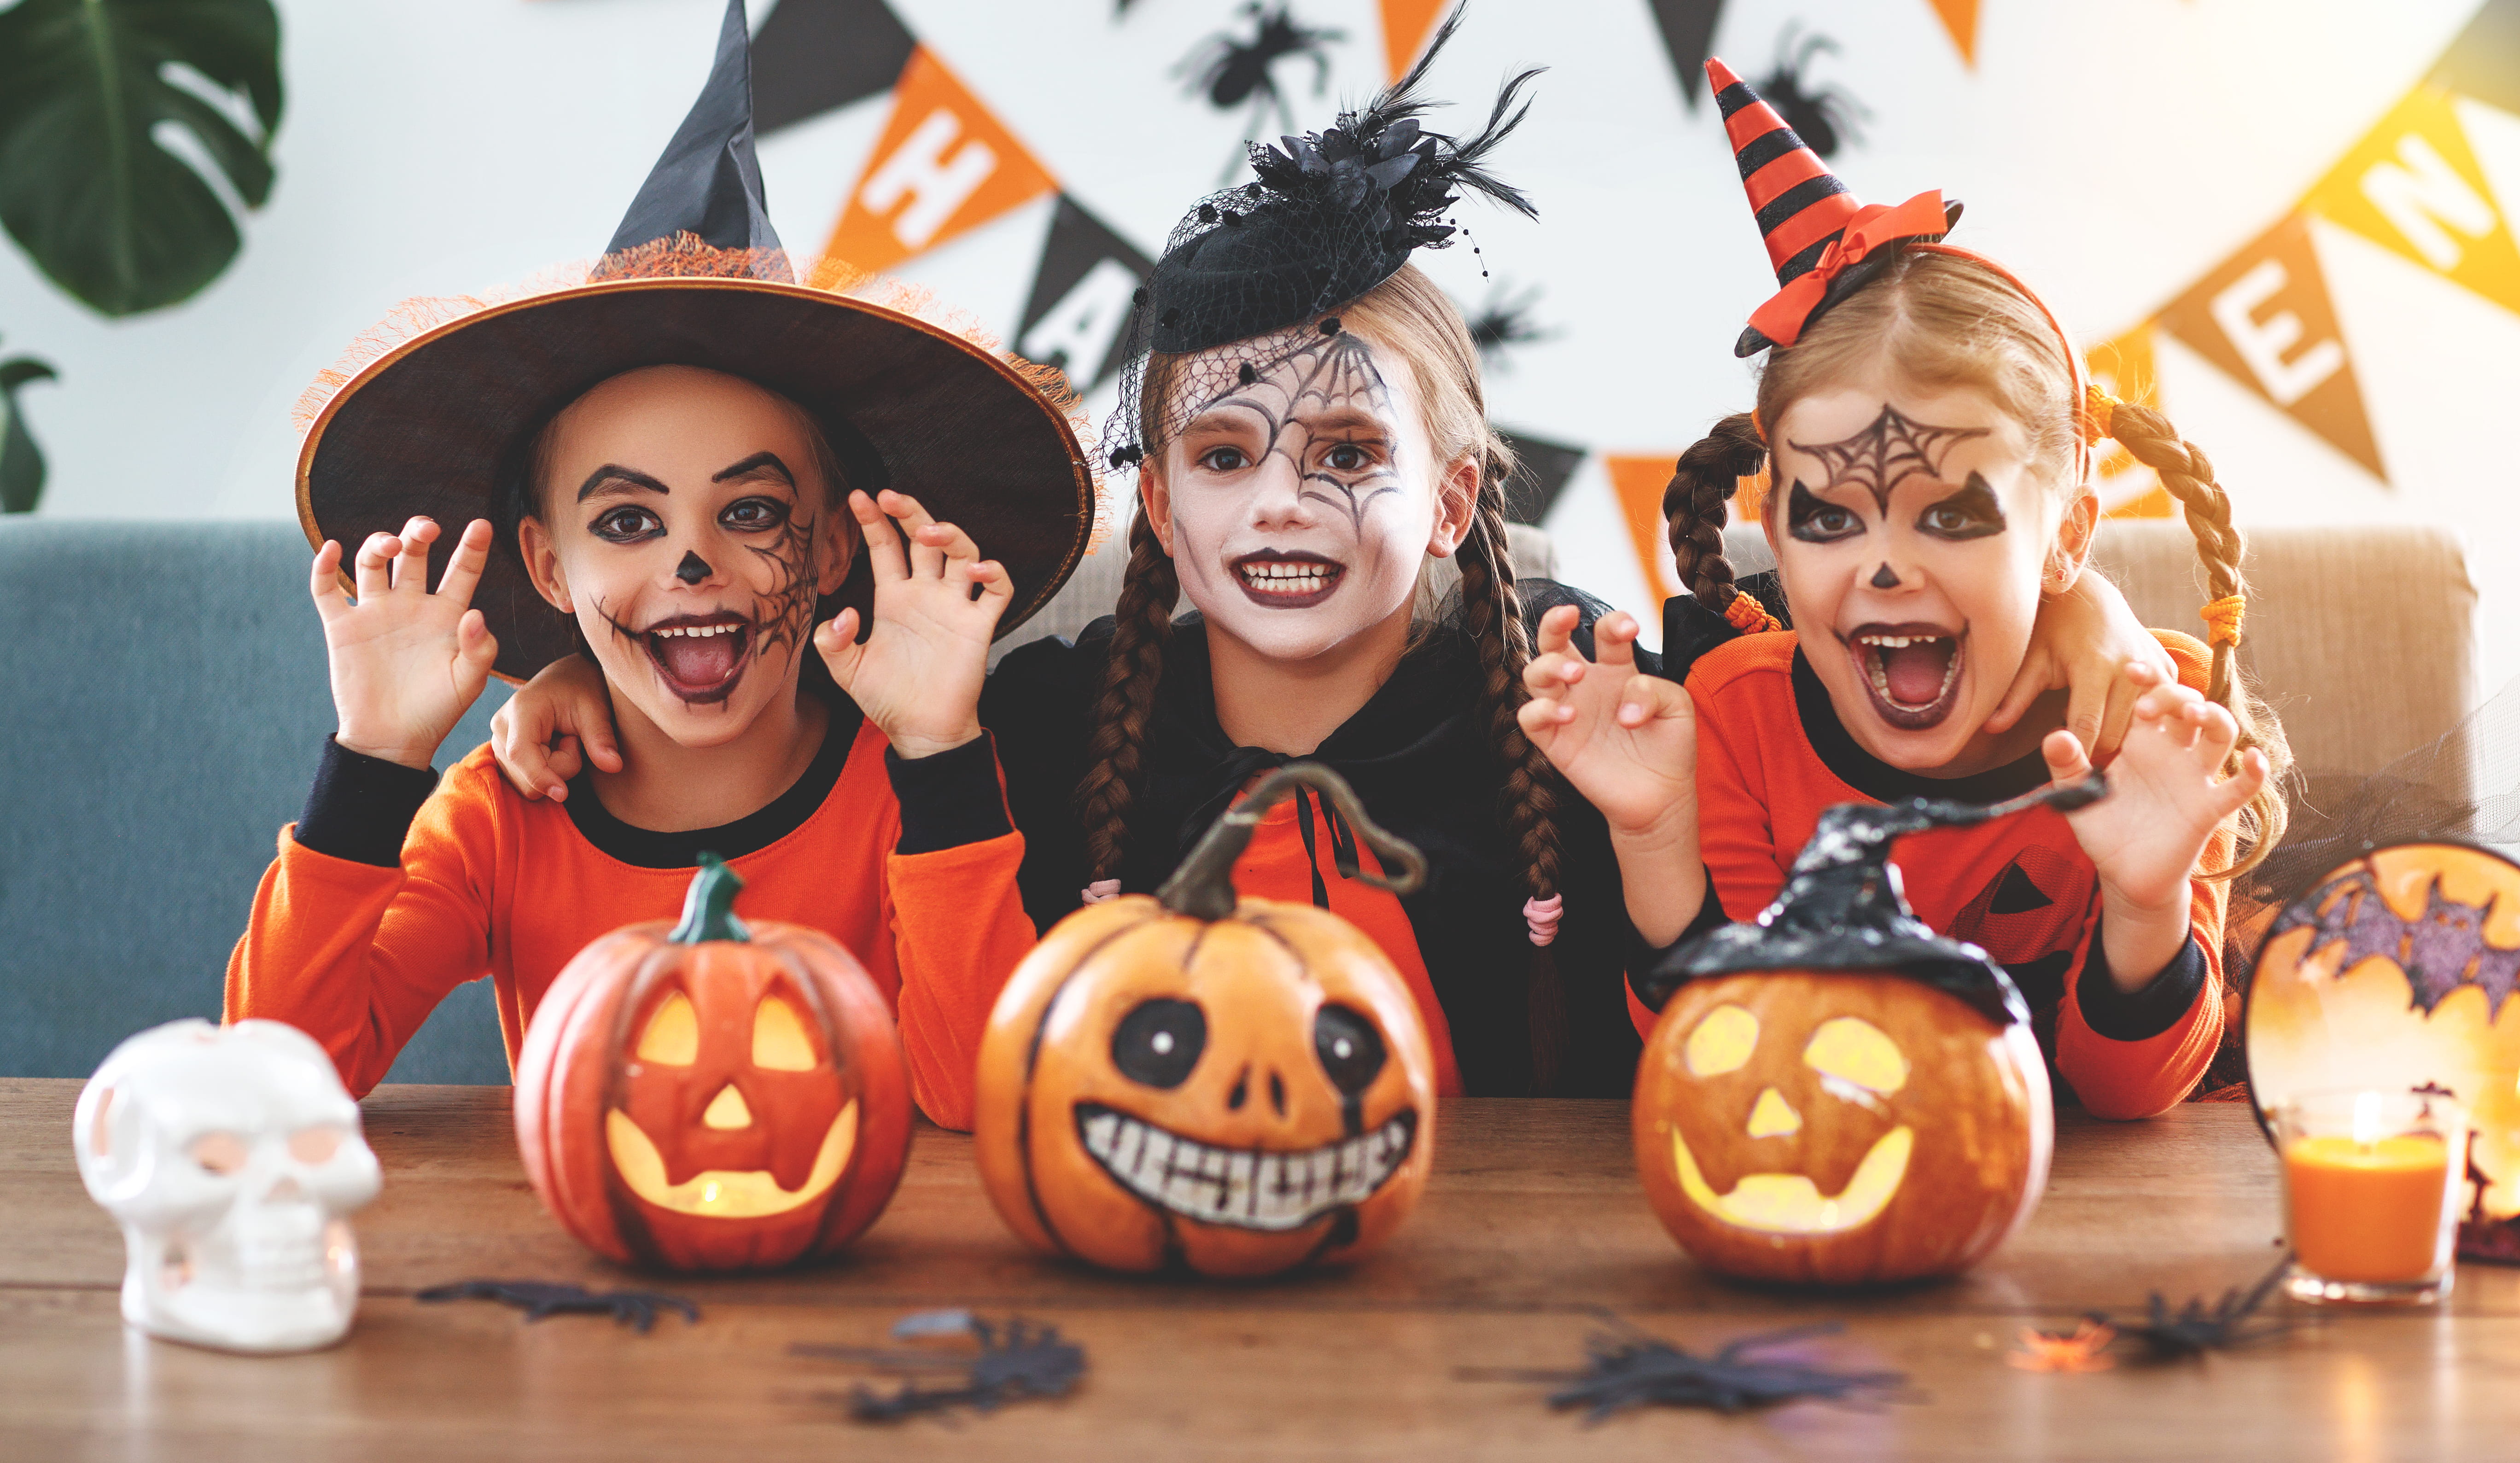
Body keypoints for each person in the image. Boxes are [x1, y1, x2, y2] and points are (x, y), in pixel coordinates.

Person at [494, 21, 2173, 1101]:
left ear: (1455, 503)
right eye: (1221, 456)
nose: (1278, 501)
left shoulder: (1583, 689)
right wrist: (574, 678)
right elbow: (835, 790)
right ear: (1159, 506)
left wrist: (2083, 624)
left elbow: (1809, 696)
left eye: (1347, 454)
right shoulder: (1049, 720)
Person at [225, 0, 1099, 1130]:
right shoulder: (503, 815)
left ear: (833, 545)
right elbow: (274, 1079)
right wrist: (374, 763)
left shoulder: (903, 790)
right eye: (629, 522)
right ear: (546, 564)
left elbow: (977, 1094)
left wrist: (939, 753)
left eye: (750, 508)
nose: (693, 558)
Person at [1519, 59, 2289, 1119]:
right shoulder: (1738, 715)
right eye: (1831, 518)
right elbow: (1717, 1061)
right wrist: (1654, 839)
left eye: (1951, 515)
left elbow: (2130, 1095)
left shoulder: (2151, 721)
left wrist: (2145, 896)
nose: (1884, 564)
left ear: (2065, 535)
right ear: (1775, 540)